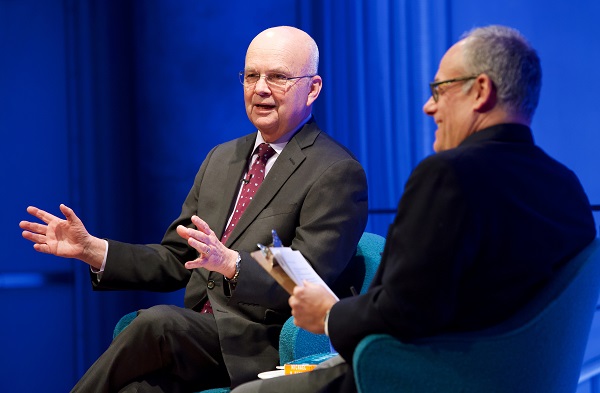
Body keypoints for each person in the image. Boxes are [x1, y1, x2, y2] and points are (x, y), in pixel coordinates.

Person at [231, 25, 597, 393]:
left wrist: (328, 314)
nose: (429, 106)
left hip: (418, 378)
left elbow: (404, 310)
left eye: (439, 89)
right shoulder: (568, 188)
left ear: (481, 91)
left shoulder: (449, 175)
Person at [19, 26, 368, 392]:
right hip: (198, 338)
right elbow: (176, 259)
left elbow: (308, 281)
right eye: (251, 76)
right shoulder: (222, 158)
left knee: (158, 324)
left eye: (278, 77)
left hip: (259, 341)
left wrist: (233, 265)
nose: (260, 88)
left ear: (312, 88)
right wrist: (93, 250)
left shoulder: (335, 171)